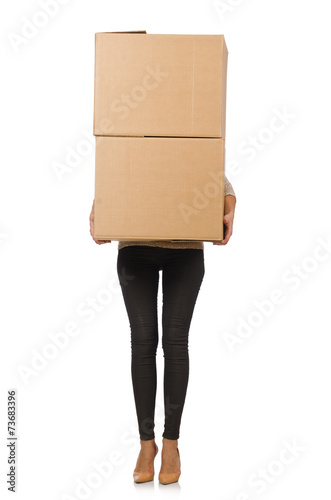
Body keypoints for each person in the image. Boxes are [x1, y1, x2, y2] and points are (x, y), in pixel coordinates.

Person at [89, 175, 236, 484]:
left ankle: (171, 444)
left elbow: (220, 182)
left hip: (185, 248)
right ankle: (146, 445)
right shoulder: (133, 133)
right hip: (135, 246)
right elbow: (114, 175)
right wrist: (98, 211)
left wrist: (229, 209)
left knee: (175, 341)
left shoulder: (188, 129)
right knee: (143, 341)